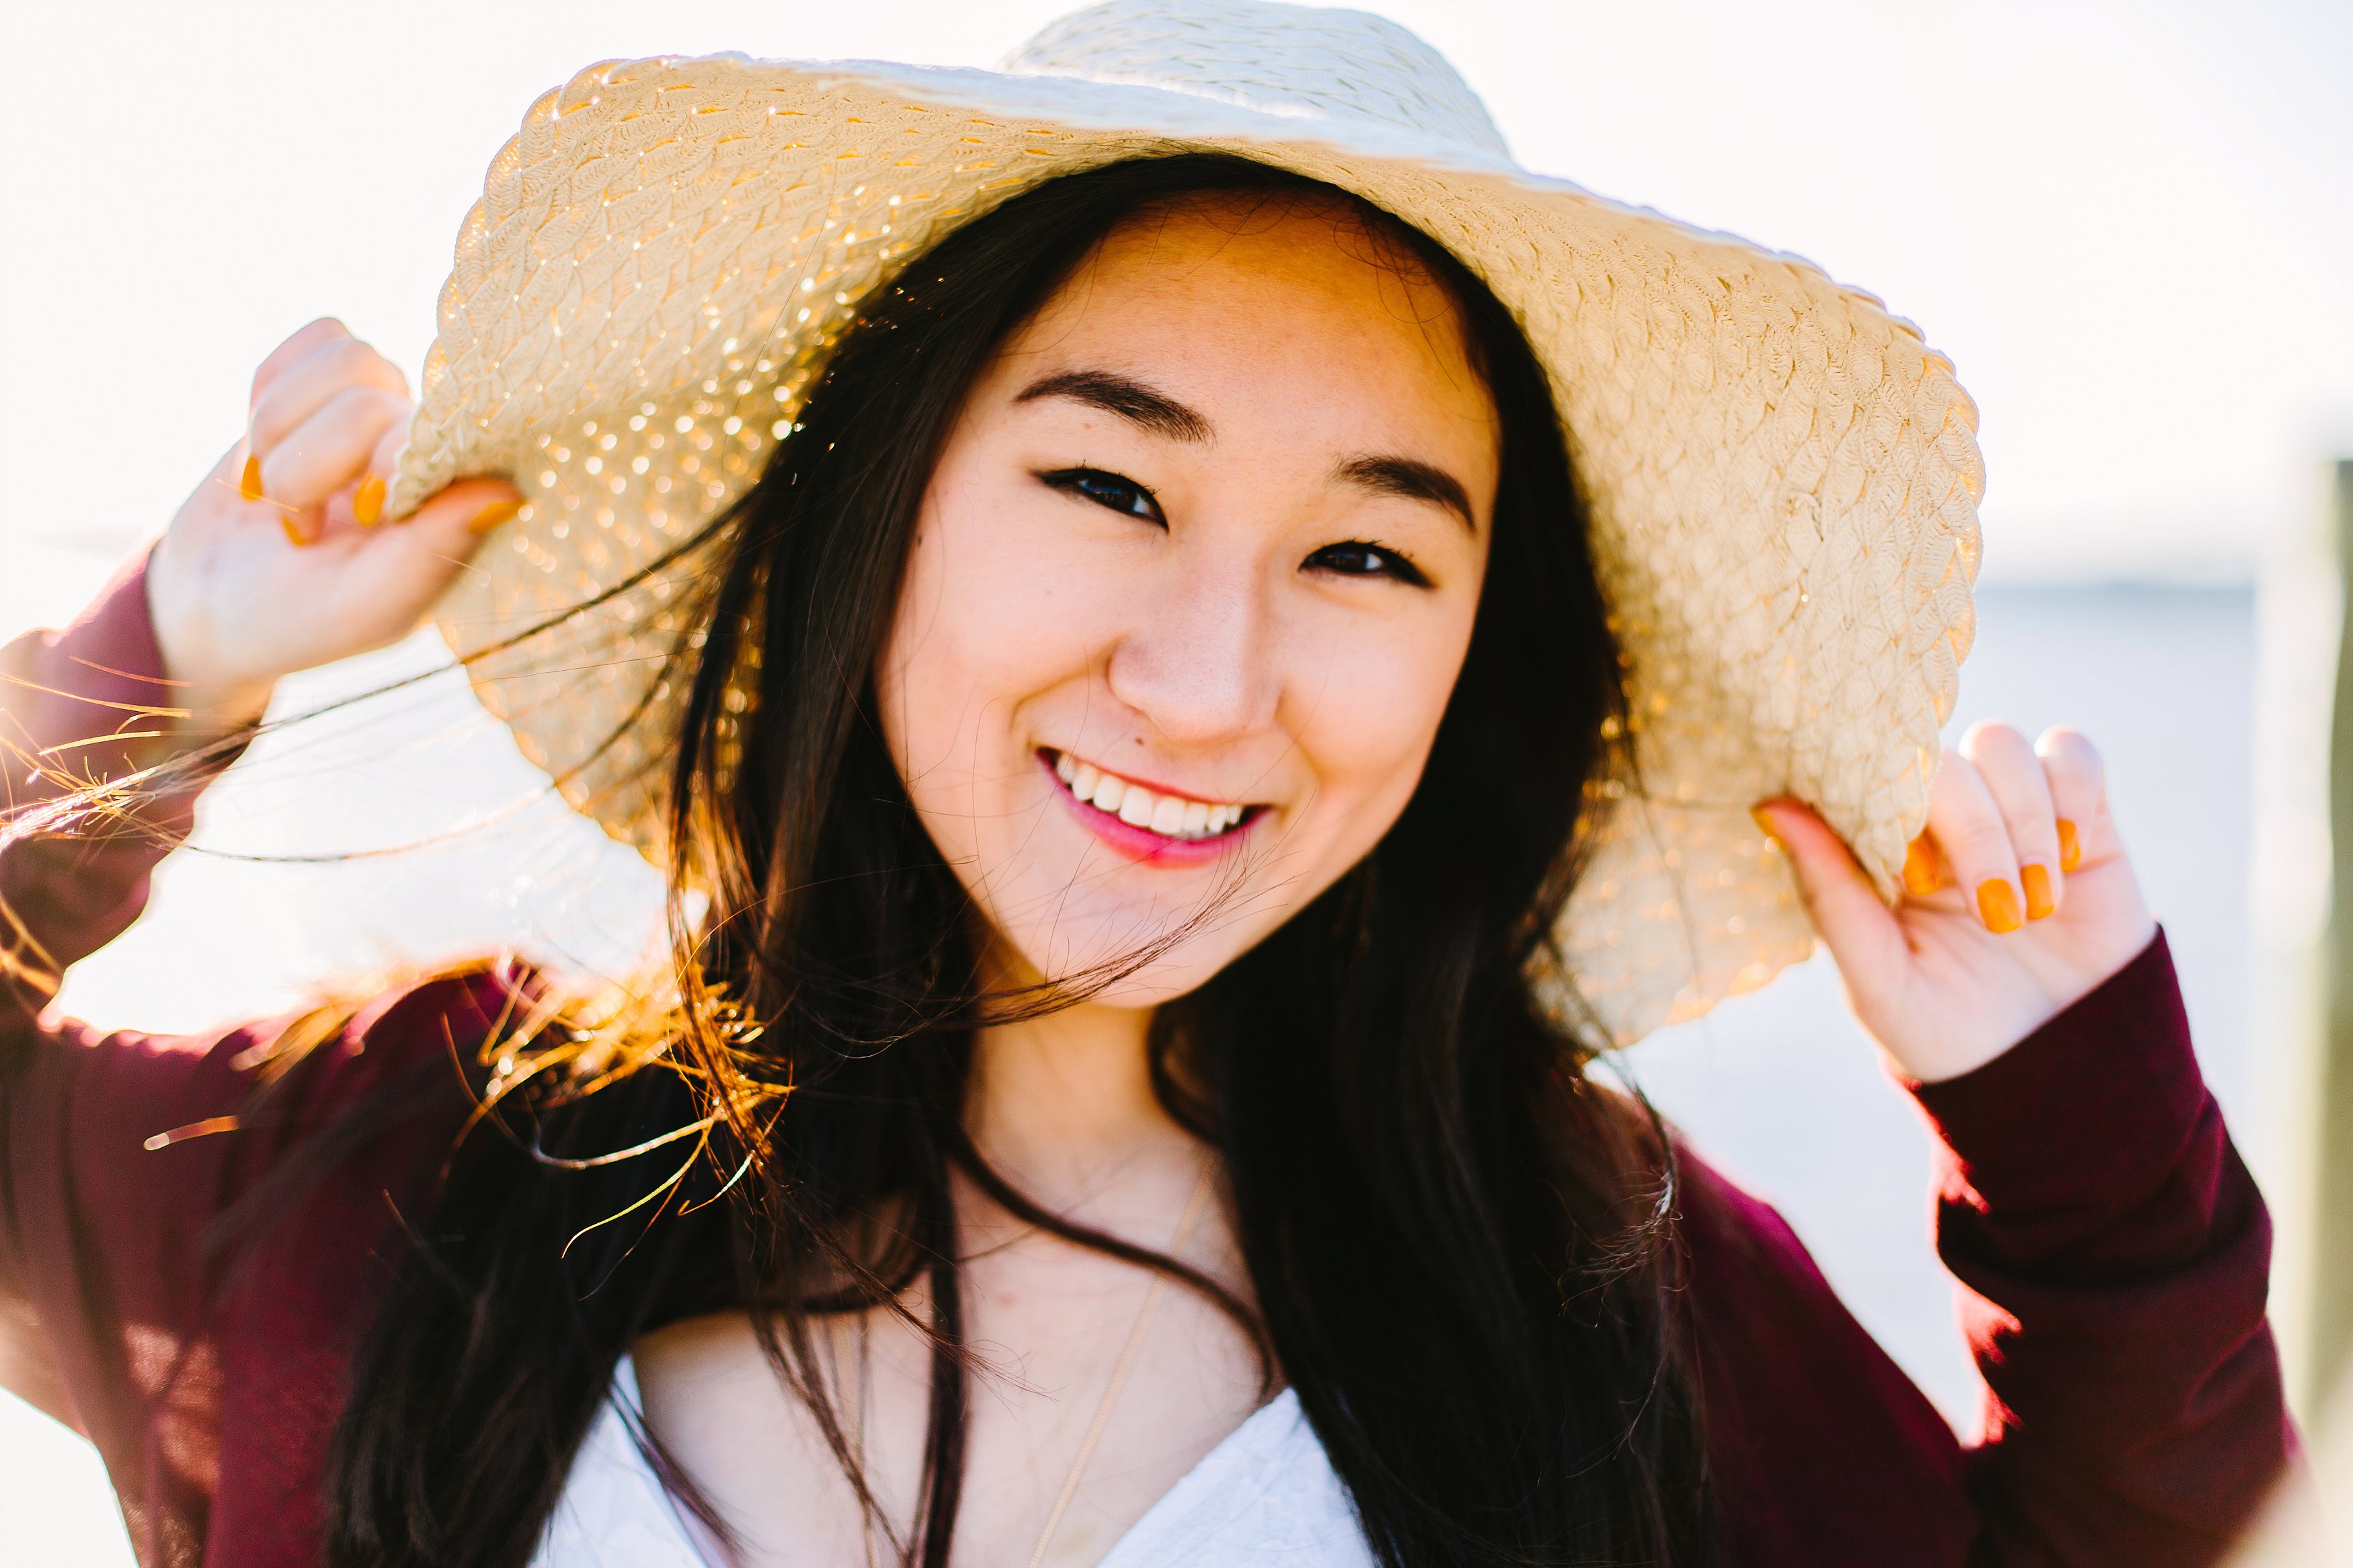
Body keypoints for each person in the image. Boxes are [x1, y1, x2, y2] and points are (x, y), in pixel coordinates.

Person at [0, 4, 2294, 1566]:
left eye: (1370, 550)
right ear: (883, 507)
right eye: (1110, 487)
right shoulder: (371, 1187)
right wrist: (161, 668)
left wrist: (2089, 1184)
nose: (1206, 681)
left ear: (1476, 657)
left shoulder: (1595, 1307)